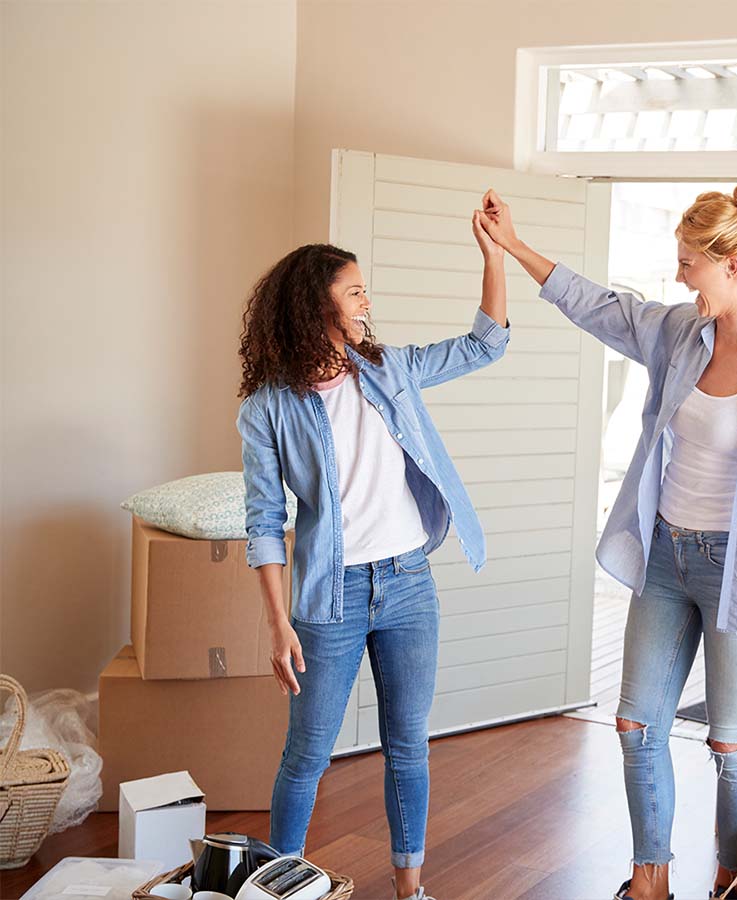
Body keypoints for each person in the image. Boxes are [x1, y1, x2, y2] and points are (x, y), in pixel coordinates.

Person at [478, 184, 737, 900]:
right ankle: (650, 882)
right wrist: (513, 245)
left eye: (688, 263)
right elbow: (599, 306)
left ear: (731, 264)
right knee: (636, 723)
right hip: (667, 557)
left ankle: (731, 882)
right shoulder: (680, 333)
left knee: (730, 744)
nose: (679, 277)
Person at [236, 208, 509, 900]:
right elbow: (266, 522)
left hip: (409, 583)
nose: (366, 301)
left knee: (407, 747)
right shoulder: (269, 407)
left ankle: (409, 888)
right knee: (307, 755)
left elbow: (485, 346)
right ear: (315, 305)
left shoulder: (389, 370)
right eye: (354, 291)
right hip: (330, 596)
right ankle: (277, 888)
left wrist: (494, 252)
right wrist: (277, 624)